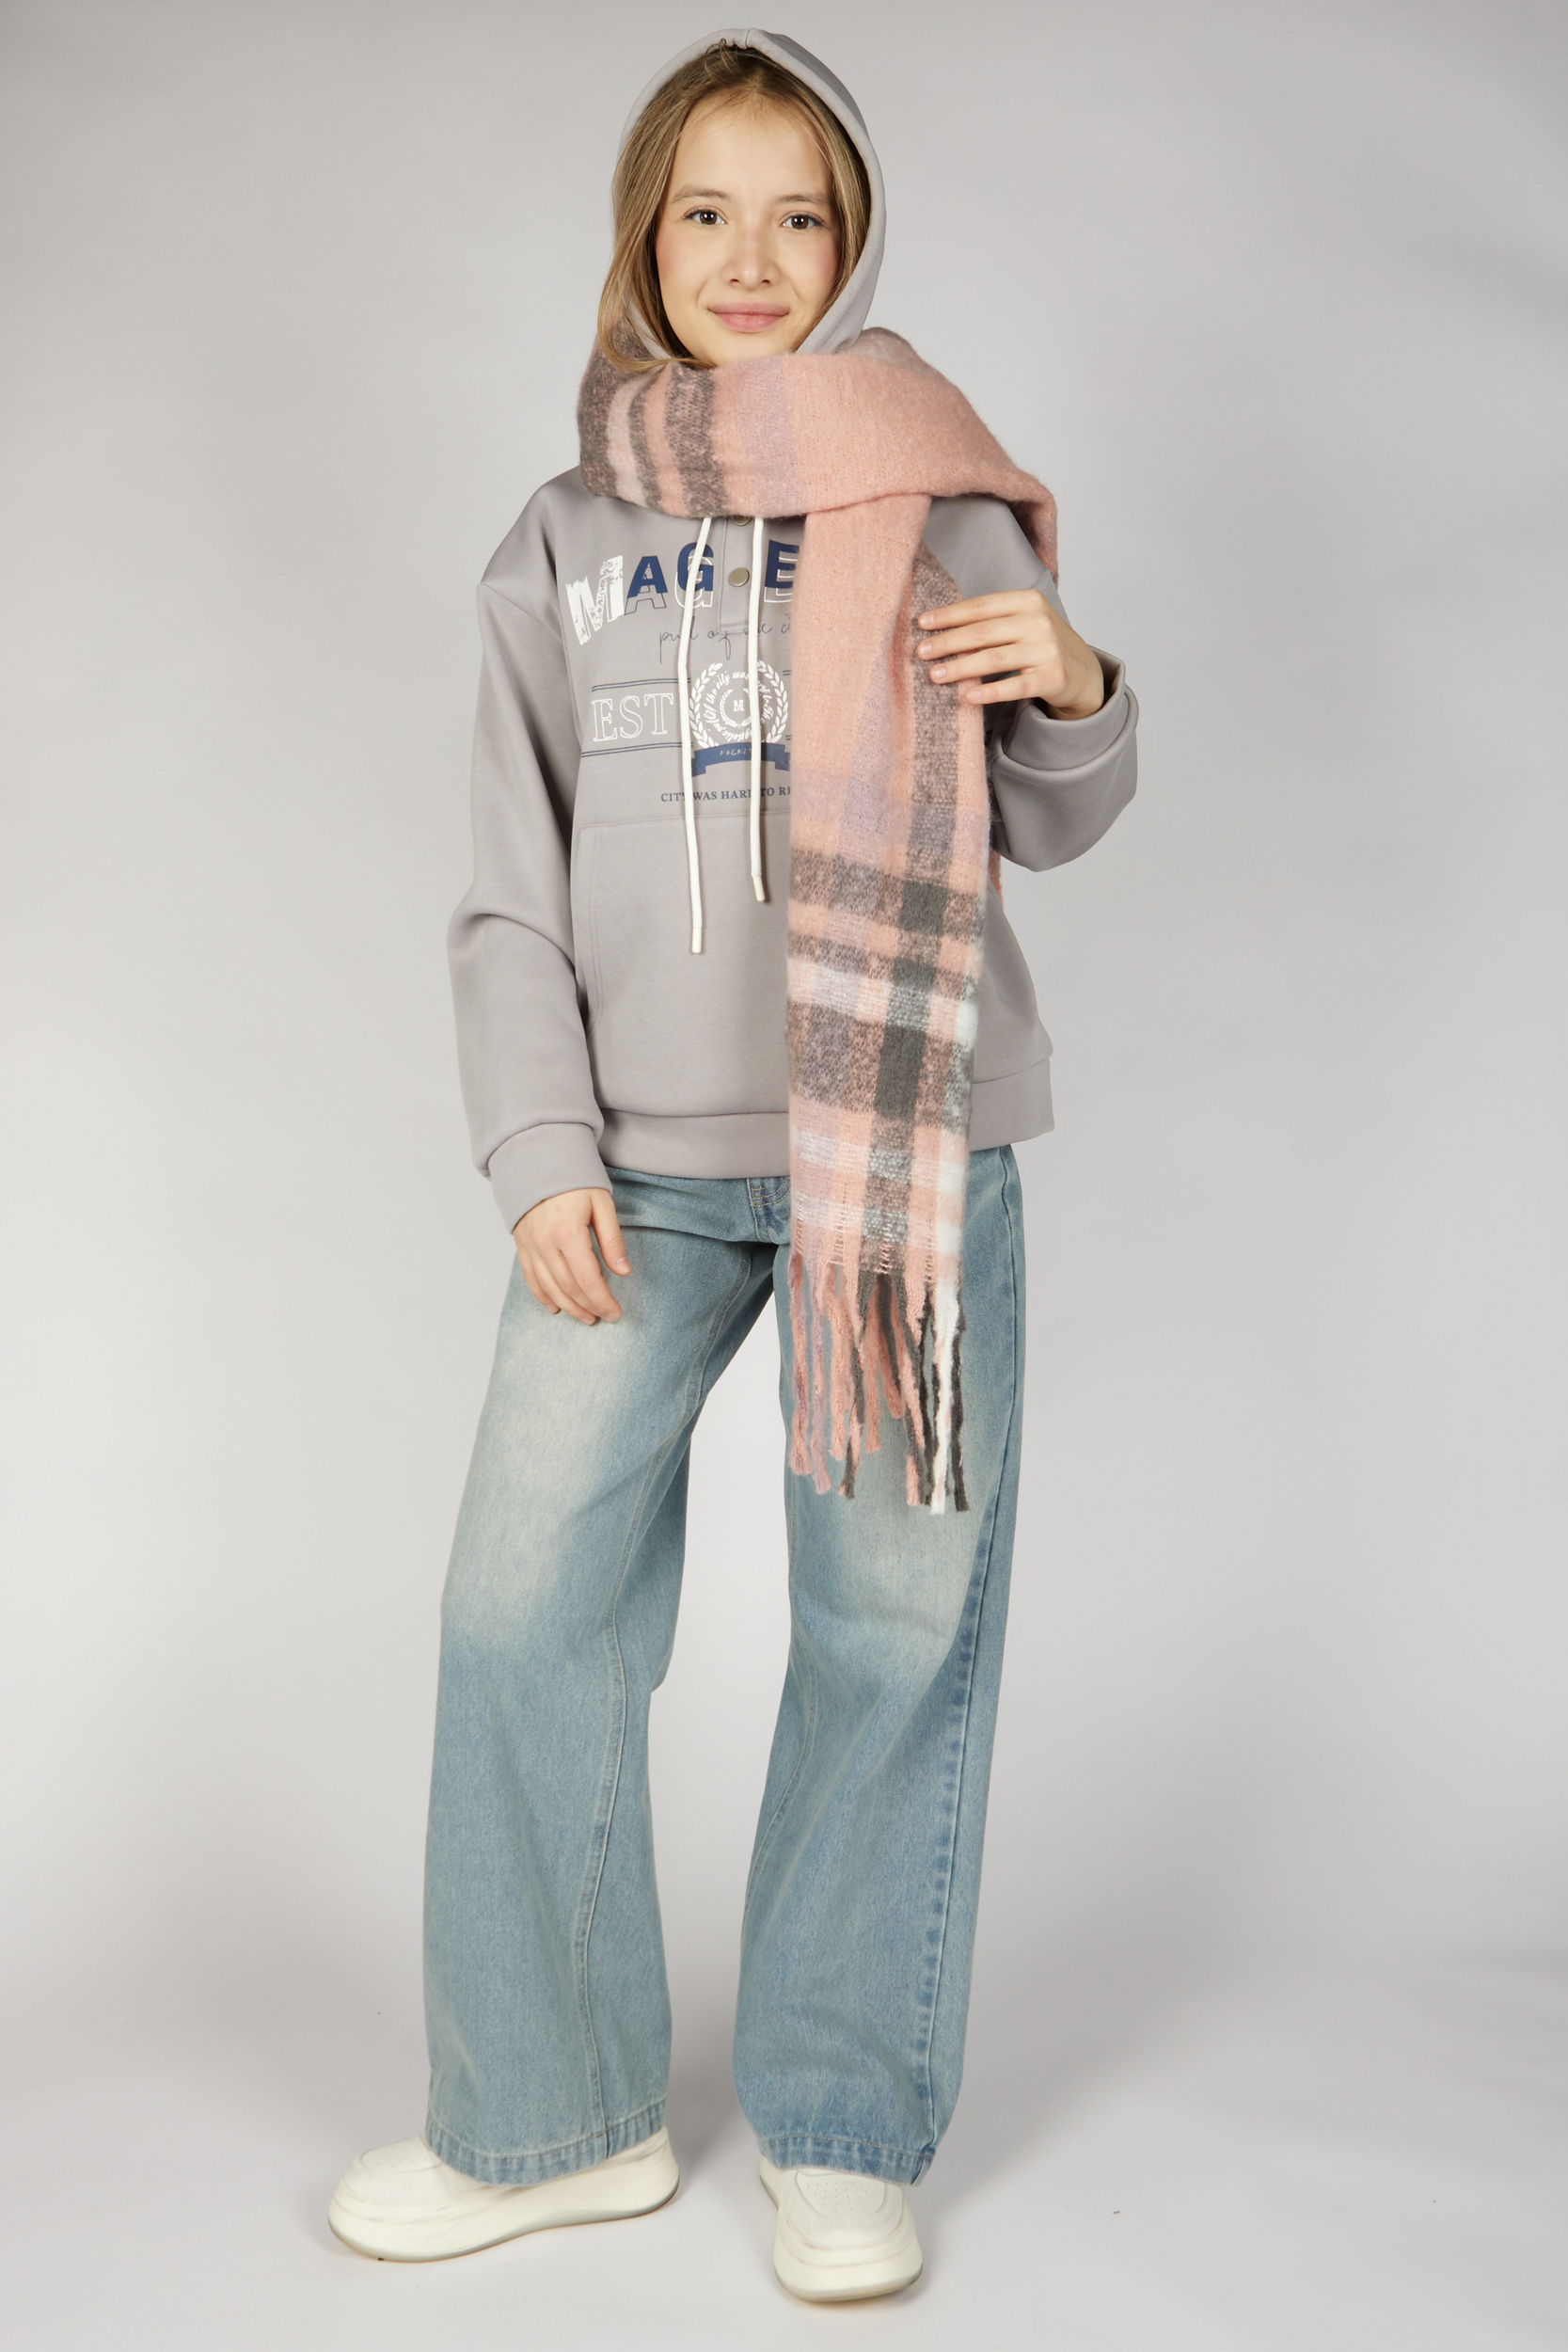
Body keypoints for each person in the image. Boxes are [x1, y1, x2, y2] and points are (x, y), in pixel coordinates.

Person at [328, 27, 1137, 2303]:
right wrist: (535, 1144)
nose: (753, 256)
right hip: (643, 1171)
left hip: (909, 1162)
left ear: (849, 241)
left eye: (800, 214)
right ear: (647, 240)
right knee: (522, 1605)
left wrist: (1077, 679)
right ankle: (549, 2114)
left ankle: (845, 2118)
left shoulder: (941, 494)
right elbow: (507, 889)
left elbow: (1054, 812)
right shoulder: (563, 534)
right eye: (709, 212)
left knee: (893, 1625)